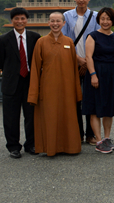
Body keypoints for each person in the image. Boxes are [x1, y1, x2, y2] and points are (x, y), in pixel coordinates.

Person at [28, 12, 82, 156]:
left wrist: (76, 91)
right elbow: (35, 68)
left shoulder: (69, 42)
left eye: (58, 21)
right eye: (52, 21)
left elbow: (74, 69)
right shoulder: (41, 42)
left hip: (67, 87)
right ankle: (50, 148)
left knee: (68, 117)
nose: (55, 23)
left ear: (64, 23)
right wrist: (34, 93)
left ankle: (70, 147)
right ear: (48, 23)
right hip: (48, 88)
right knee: (50, 117)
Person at [0, 8, 41, 158]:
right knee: (10, 117)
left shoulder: (35, 37)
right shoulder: (4, 39)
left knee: (31, 115)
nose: (19, 21)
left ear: (27, 20)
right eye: (16, 19)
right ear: (12, 20)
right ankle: (13, 147)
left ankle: (31, 144)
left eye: (22, 18)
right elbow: (0, 60)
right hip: (11, 83)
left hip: (30, 81)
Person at [61, 0, 100, 145]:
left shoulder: (96, 16)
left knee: (90, 100)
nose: (81, 0)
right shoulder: (67, 16)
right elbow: (65, 41)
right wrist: (78, 59)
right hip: (73, 63)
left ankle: (91, 134)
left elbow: (98, 40)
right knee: (74, 100)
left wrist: (87, 62)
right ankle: (77, 133)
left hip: (90, 63)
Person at [84, 7, 114, 154]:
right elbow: (88, 57)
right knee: (95, 107)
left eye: (108, 19)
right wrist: (93, 74)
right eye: (103, 18)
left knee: (108, 108)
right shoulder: (92, 36)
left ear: (113, 20)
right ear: (99, 20)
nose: (105, 22)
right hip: (96, 73)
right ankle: (98, 140)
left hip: (111, 73)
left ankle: (107, 138)